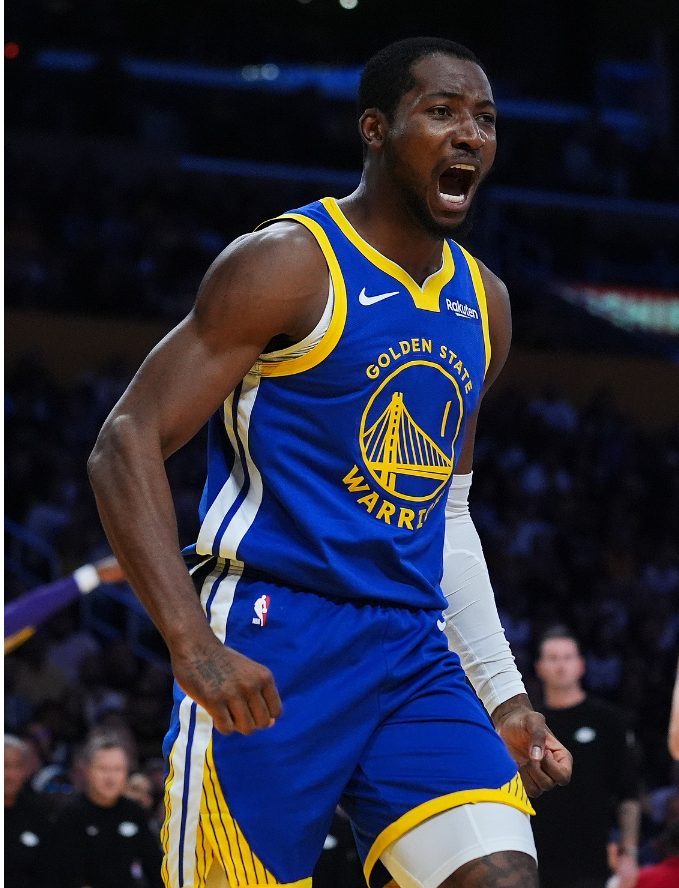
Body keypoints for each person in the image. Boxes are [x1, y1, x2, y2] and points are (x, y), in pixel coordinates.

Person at [88, 36, 572, 888]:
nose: (470, 133)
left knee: (503, 877)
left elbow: (446, 511)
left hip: (408, 648)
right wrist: (190, 642)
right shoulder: (287, 263)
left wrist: (504, 695)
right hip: (274, 639)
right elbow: (125, 441)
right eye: (442, 111)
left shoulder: (484, 302)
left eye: (485, 118)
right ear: (375, 130)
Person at [531, 628, 641, 888]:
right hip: (537, 860)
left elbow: (628, 793)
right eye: (553, 658)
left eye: (567, 657)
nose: (561, 666)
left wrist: (629, 852)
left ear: (581, 665)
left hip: (592, 861)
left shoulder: (608, 720)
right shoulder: (531, 725)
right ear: (539, 668)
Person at [53, 736, 163, 888]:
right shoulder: (70, 814)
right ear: (87, 770)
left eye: (118, 769)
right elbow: (62, 873)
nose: (110, 778)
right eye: (103, 769)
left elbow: (155, 867)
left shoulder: (134, 812)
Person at [5, 734, 57, 888]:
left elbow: (50, 871)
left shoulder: (40, 814)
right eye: (3, 766)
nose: (9, 775)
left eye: (16, 766)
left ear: (25, 770)